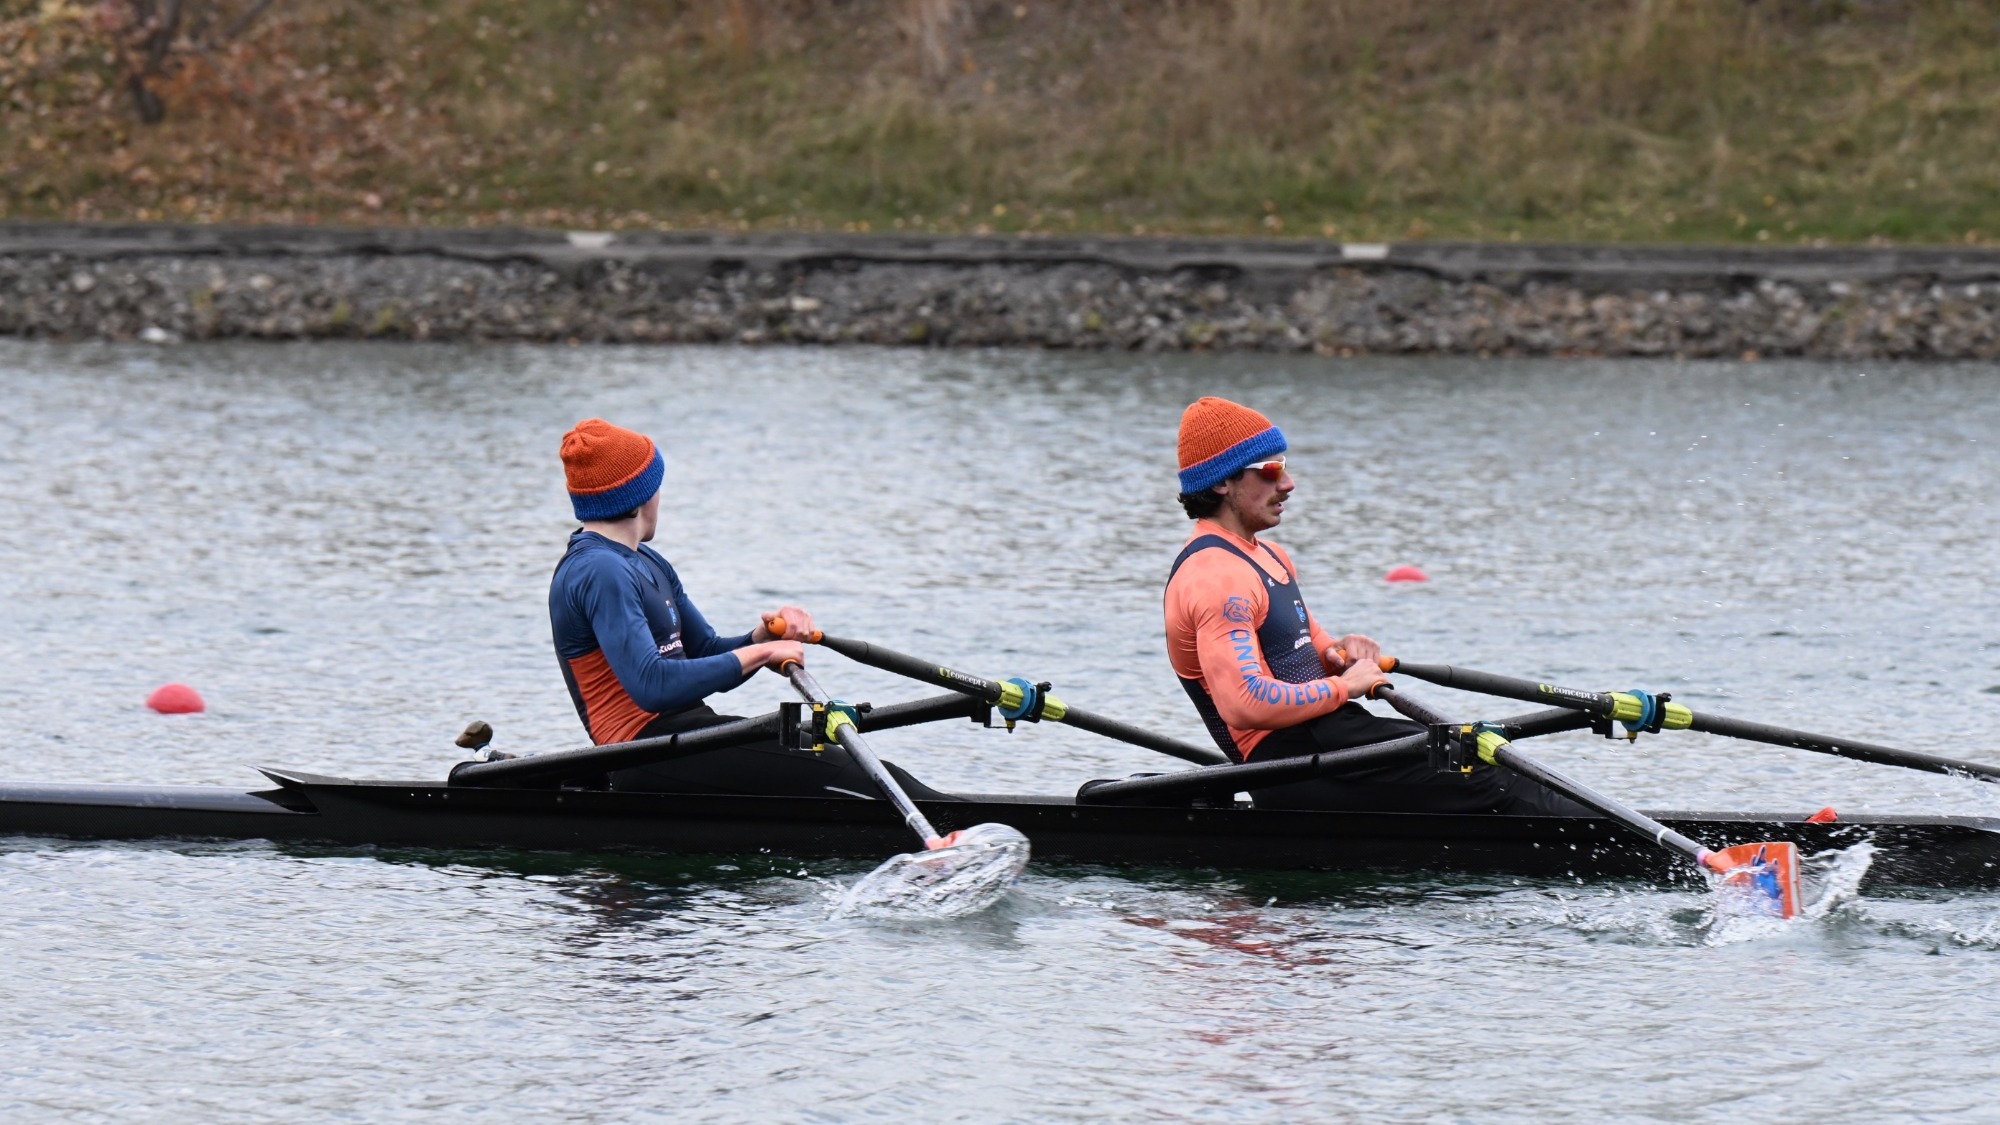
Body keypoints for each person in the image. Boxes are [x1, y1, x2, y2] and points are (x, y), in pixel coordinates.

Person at [1162, 397, 1583, 815]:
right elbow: (1245, 703)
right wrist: (1348, 686)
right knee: (1488, 774)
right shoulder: (1216, 577)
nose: (1288, 484)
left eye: (1283, 467)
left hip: (1330, 737)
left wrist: (1341, 655)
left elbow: (1309, 651)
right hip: (1291, 764)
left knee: (1480, 756)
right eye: (1270, 472)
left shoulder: (1267, 556)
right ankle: (1624, 850)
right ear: (1221, 483)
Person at [550, 417, 948, 799]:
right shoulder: (598, 570)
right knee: (859, 779)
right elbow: (652, 687)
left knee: (867, 771)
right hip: (642, 749)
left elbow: (705, 653)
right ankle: (958, 832)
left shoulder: (645, 560)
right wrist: (763, 654)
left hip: (686, 735)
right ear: (639, 496)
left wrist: (760, 638)